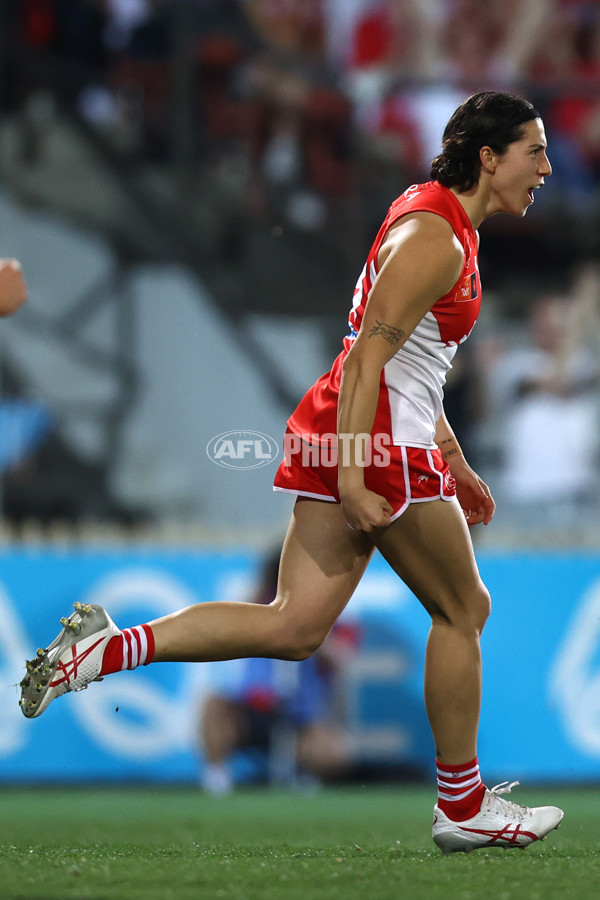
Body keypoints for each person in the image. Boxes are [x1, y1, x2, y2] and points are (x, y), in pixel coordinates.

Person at [20, 91, 563, 854]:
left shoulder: (437, 217)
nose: (546, 167)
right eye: (535, 151)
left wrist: (455, 459)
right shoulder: (436, 239)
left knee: (294, 625)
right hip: (371, 439)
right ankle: (461, 806)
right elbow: (373, 357)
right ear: (489, 156)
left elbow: (410, 362)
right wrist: (351, 475)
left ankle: (105, 649)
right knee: (463, 609)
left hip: (358, 424)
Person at [199, 549, 357, 794]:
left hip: (303, 712)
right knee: (213, 706)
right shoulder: (255, 602)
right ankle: (217, 778)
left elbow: (341, 660)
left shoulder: (331, 611)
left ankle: (304, 773)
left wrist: (311, 629)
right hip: (255, 704)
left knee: (333, 753)